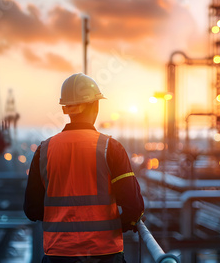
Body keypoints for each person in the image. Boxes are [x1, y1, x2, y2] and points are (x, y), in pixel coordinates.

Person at [24, 73, 144, 263]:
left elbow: (32, 209)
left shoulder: (44, 150)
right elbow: (133, 206)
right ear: (95, 106)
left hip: (58, 253)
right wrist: (119, 225)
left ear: (67, 109)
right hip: (104, 253)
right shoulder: (110, 148)